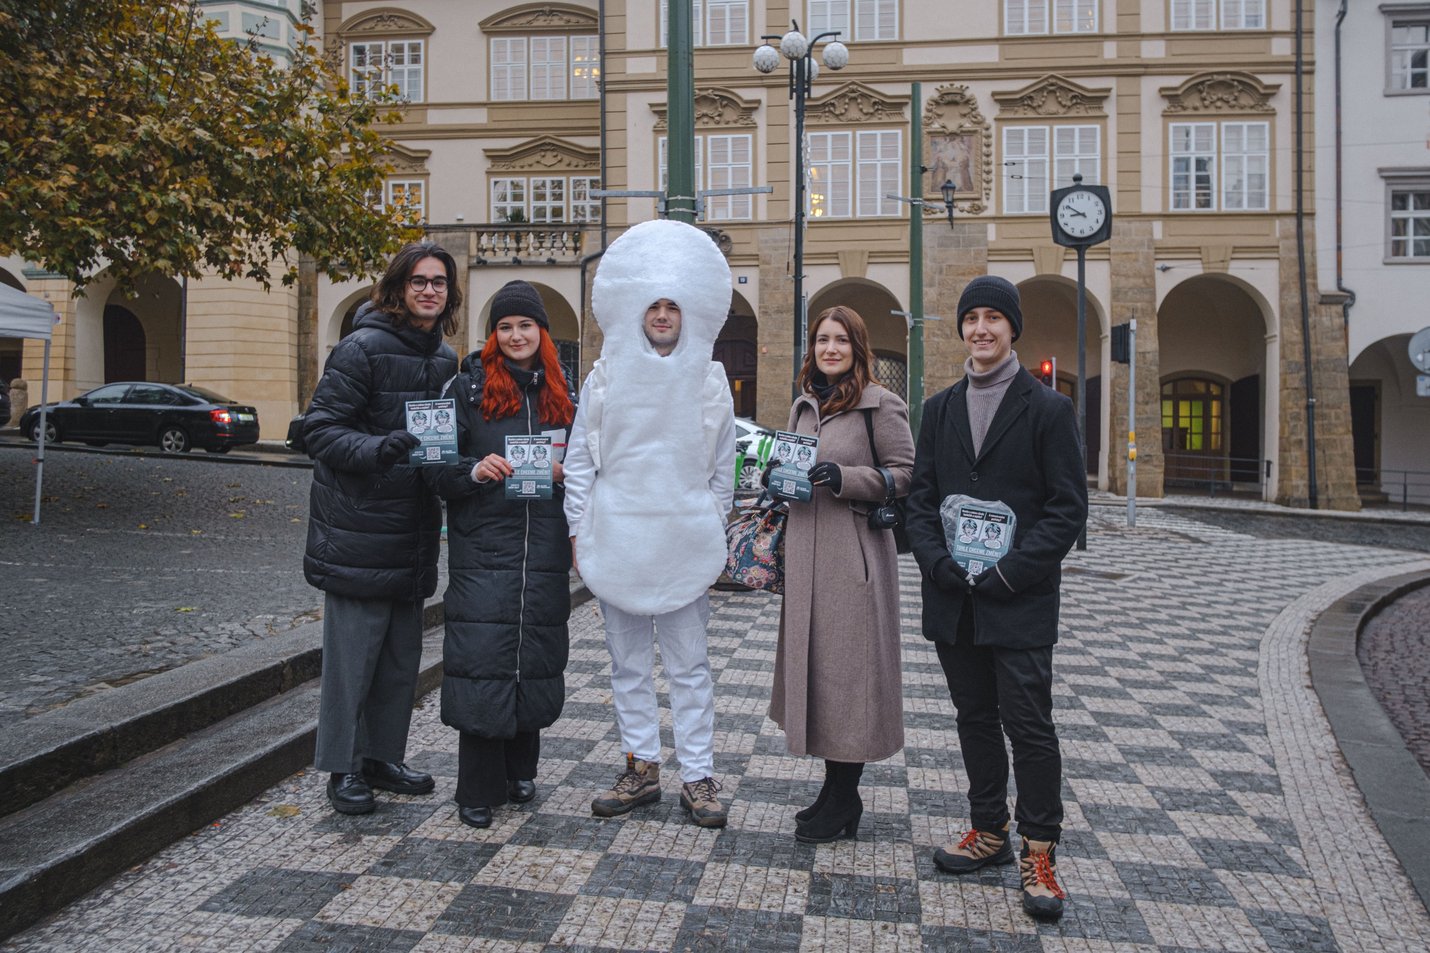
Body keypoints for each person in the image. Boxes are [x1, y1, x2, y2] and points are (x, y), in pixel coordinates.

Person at [904, 275, 1087, 920]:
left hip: (1020, 598)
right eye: (972, 317)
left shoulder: (1047, 409)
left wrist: (1013, 571)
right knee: (975, 719)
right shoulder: (941, 408)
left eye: (994, 318)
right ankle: (989, 831)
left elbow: (1067, 511)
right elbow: (920, 500)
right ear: (961, 328)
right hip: (956, 597)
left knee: (1029, 727)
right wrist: (937, 561)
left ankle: (1041, 852)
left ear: (1013, 329)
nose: (982, 328)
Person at [563, 219, 736, 828]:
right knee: (627, 663)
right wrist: (580, 533)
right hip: (619, 536)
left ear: (688, 313)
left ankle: (698, 775)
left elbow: (723, 469)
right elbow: (581, 461)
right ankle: (640, 766)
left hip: (684, 538)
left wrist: (707, 526)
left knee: (690, 665)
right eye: (654, 305)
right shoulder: (604, 378)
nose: (663, 315)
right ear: (637, 311)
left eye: (673, 306)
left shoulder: (712, 380)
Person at [303, 241, 461, 815]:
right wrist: (380, 448)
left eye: (438, 282)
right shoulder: (360, 348)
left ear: (449, 294)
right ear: (398, 287)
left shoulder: (446, 359)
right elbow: (317, 430)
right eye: (418, 280)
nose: (428, 290)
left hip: (413, 530)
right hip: (359, 530)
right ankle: (342, 767)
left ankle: (382, 758)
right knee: (352, 662)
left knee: (399, 659)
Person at [425, 279, 576, 829]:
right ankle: (477, 787)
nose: (516, 335)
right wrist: (474, 469)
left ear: (542, 333)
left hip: (544, 548)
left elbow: (592, 469)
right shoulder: (463, 390)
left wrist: (568, 472)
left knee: (531, 655)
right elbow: (433, 466)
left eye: (525, 325)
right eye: (505, 326)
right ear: (494, 335)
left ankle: (519, 770)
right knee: (483, 657)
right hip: (485, 547)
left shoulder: (565, 398)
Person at [768, 306, 913, 843]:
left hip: (853, 560)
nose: (831, 349)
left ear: (858, 346)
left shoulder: (881, 404)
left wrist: (846, 477)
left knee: (850, 679)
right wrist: (774, 475)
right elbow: (790, 468)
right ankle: (833, 791)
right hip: (806, 556)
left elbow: (907, 473)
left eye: (841, 341)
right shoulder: (804, 405)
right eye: (822, 340)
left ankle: (846, 798)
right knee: (821, 674)